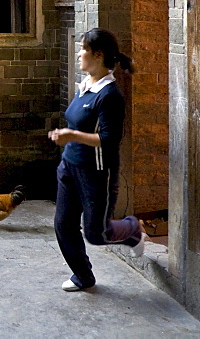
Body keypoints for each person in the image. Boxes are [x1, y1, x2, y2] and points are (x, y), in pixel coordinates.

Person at [48, 27, 147, 292]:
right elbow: (78, 121)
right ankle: (83, 276)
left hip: (96, 172)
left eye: (83, 49)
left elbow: (109, 139)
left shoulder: (110, 95)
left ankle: (132, 228)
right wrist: (68, 138)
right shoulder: (85, 86)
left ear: (99, 55)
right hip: (69, 166)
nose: (79, 54)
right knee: (63, 225)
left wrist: (72, 135)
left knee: (96, 233)